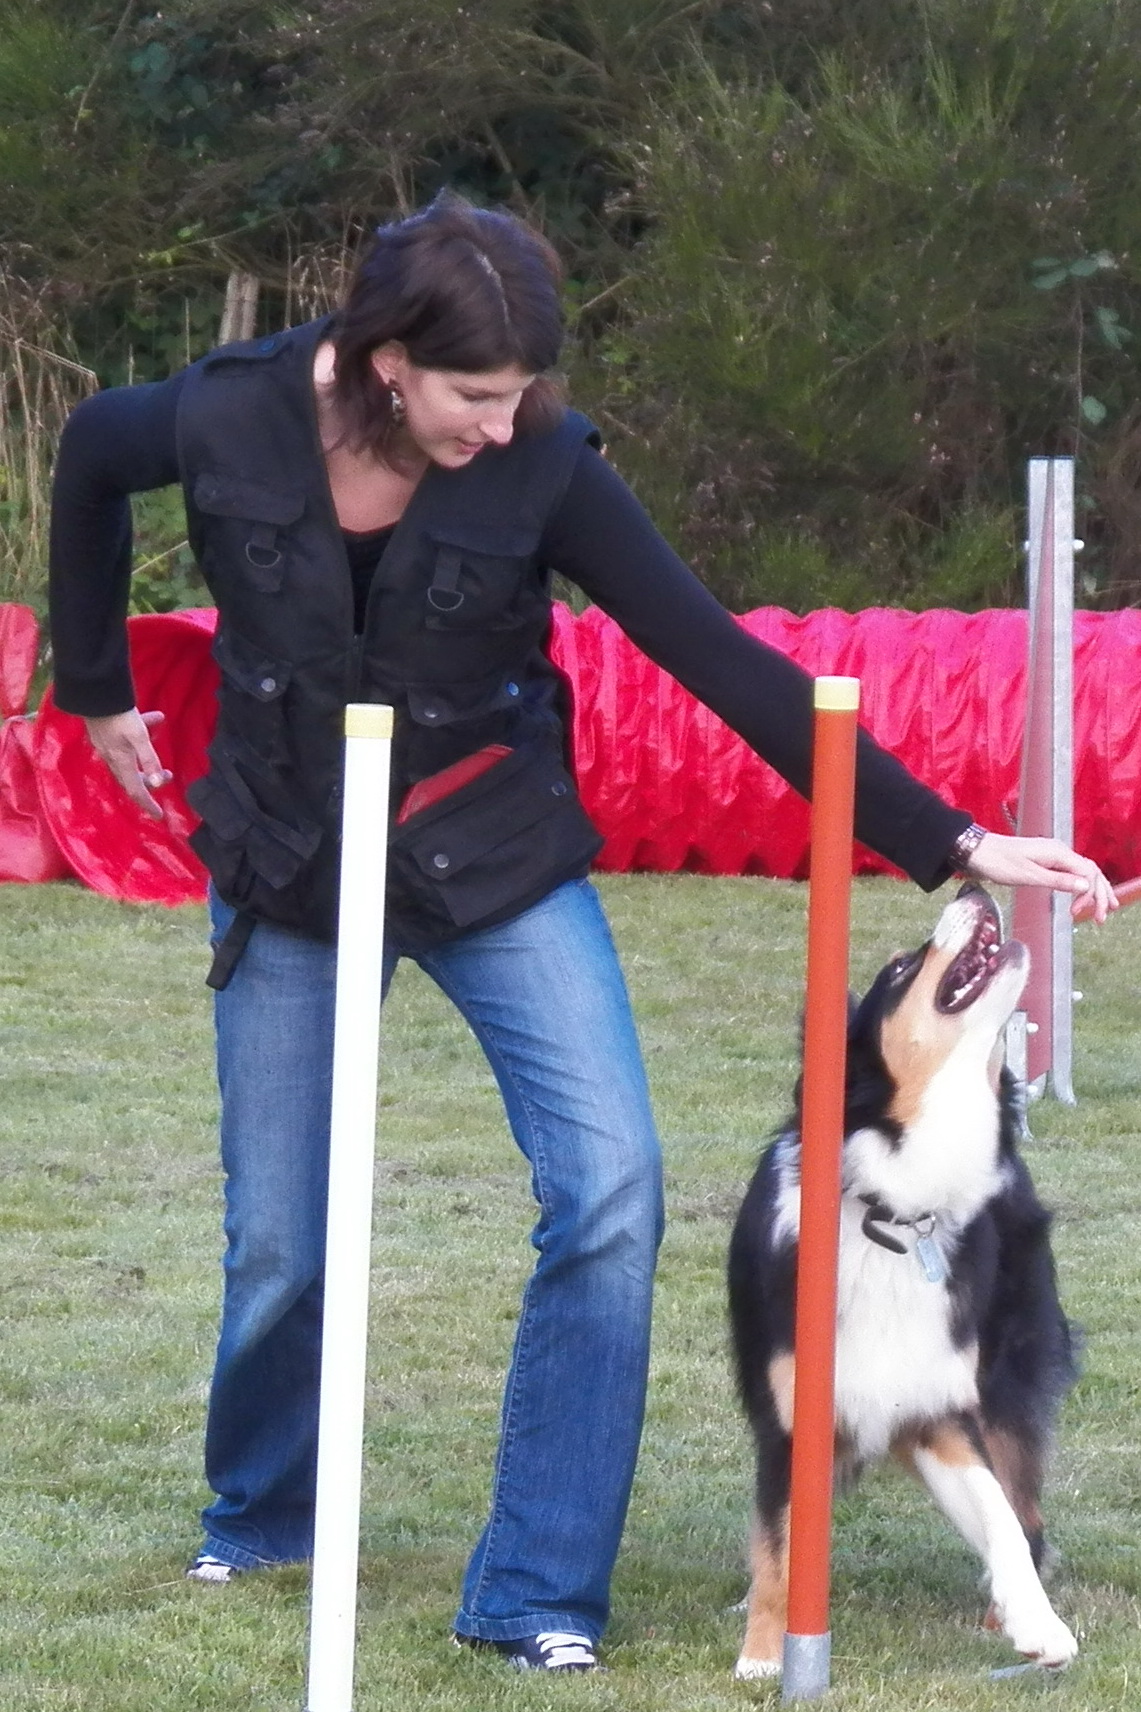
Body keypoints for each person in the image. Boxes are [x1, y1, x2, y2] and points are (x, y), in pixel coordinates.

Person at [48, 192, 1115, 1674]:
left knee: (611, 1190)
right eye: (471, 397)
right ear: (383, 362)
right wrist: (90, 678)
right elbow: (94, 453)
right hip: (289, 861)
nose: (498, 425)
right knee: (283, 1238)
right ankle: (267, 1507)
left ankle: (536, 1589)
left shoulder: (544, 463)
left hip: (492, 860)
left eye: (514, 396)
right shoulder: (230, 417)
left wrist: (947, 838)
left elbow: (716, 656)